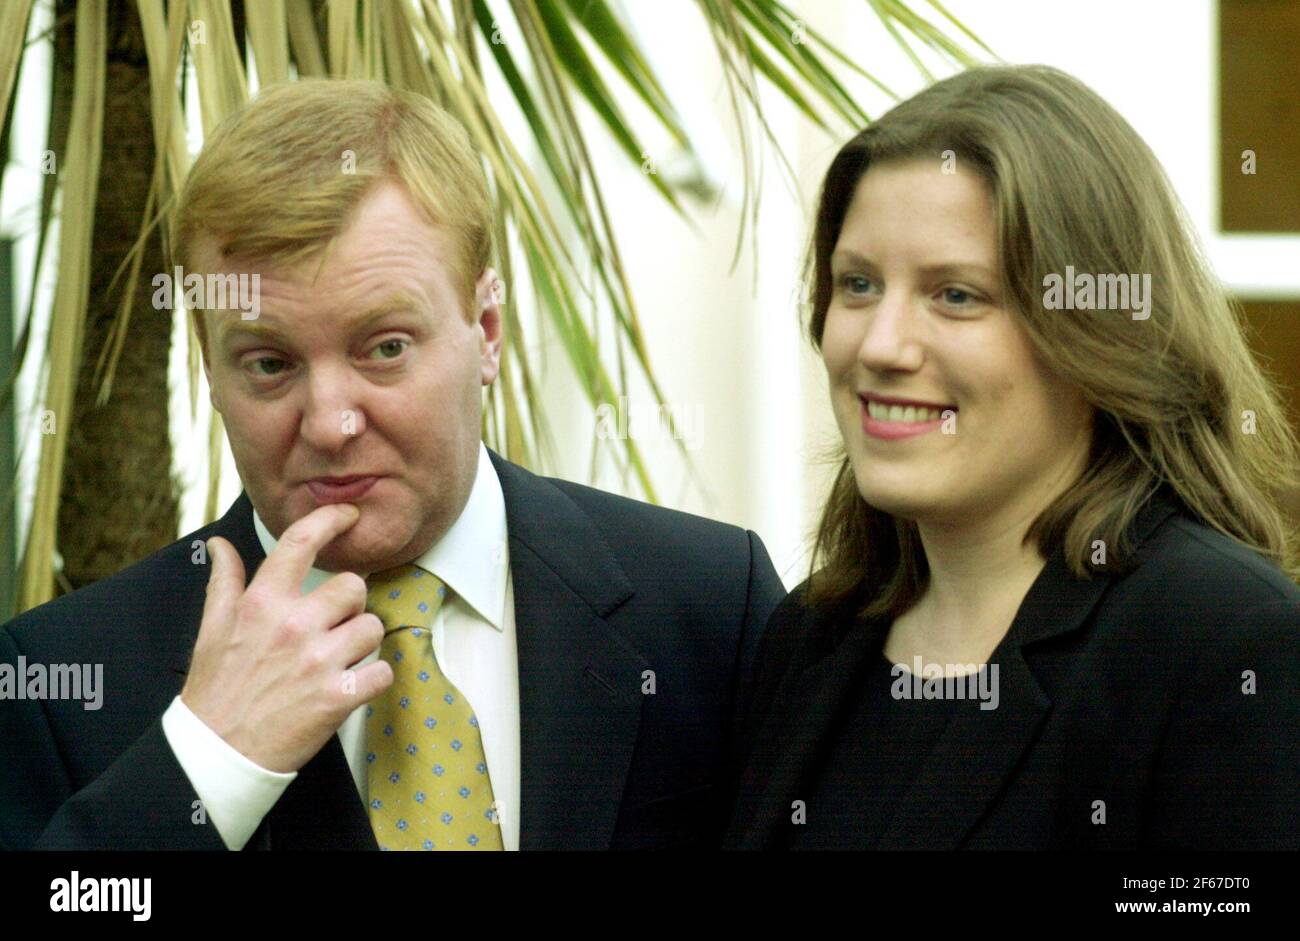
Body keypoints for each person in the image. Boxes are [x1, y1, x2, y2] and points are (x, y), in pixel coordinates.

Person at [0, 79, 786, 851]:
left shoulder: (708, 608)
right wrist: (210, 762)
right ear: (208, 366)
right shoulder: (60, 677)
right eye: (270, 363)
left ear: (485, 330)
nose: (332, 424)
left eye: (384, 349)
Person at [725, 64, 1300, 850]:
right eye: (857, 284)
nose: (881, 344)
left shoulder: (1221, 639)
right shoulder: (810, 636)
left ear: (1099, 336)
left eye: (956, 294)